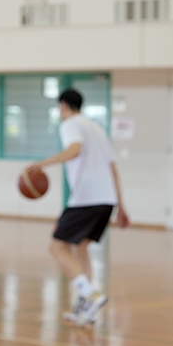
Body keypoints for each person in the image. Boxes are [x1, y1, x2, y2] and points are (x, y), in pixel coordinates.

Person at [26, 89, 129, 327]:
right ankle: (86, 309)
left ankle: (90, 294)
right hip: (106, 200)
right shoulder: (97, 128)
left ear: (63, 106)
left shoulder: (70, 124)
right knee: (80, 248)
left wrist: (44, 163)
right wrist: (121, 205)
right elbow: (113, 169)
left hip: (86, 199)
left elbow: (75, 149)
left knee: (56, 247)